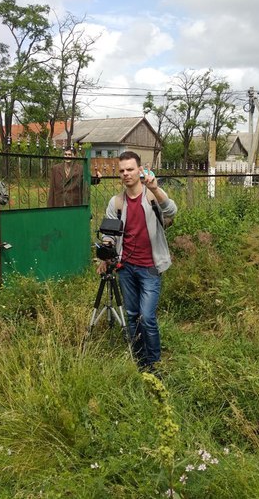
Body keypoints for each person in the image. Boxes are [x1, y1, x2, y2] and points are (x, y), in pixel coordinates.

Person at [97, 151, 177, 372]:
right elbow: (109, 233)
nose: (125, 174)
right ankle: (140, 362)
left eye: (130, 169)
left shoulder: (151, 196)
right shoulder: (117, 202)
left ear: (139, 170)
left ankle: (154, 363)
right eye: (121, 170)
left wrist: (155, 188)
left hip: (151, 267)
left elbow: (172, 210)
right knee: (132, 316)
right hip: (126, 268)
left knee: (148, 317)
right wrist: (106, 249)